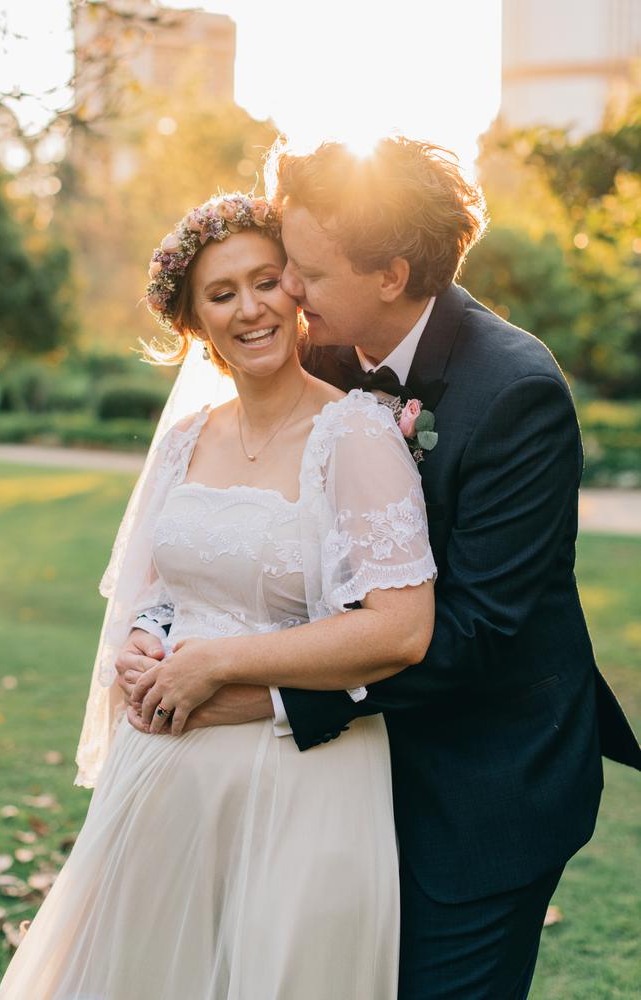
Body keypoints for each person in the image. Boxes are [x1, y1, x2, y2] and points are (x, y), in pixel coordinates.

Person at [121, 138, 641, 1000]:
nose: (285, 291)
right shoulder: (324, 353)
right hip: (338, 782)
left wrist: (258, 696)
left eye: (305, 272)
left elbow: (473, 633)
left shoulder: (514, 392)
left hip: (481, 786)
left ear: (391, 276)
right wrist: (164, 632)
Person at [0, 193, 436, 1000]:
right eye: (222, 293)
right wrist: (142, 643)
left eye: (265, 281)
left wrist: (219, 667)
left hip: (302, 776)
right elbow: (157, 591)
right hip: (165, 768)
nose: (251, 309)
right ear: (194, 321)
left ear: (296, 291)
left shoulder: (360, 434)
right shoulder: (185, 441)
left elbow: (402, 632)